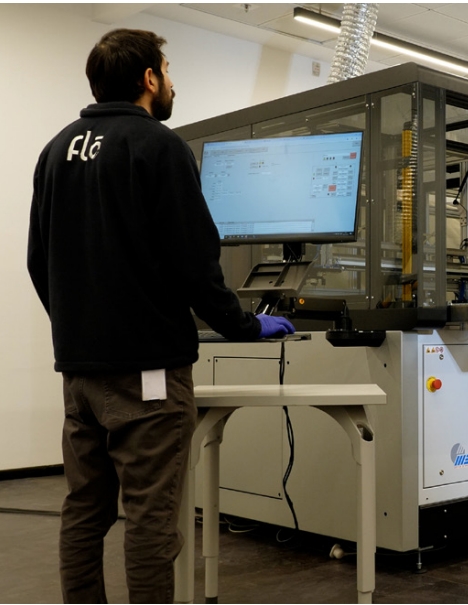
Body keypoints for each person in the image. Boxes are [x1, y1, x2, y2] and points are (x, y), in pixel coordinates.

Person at [26, 29, 295, 603]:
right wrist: (246, 326)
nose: (172, 82)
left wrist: (81, 328)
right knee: (151, 519)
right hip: (148, 375)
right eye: (168, 70)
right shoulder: (158, 145)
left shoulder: (56, 151)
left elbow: (37, 260)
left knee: (84, 511)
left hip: (79, 374)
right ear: (149, 79)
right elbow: (195, 263)